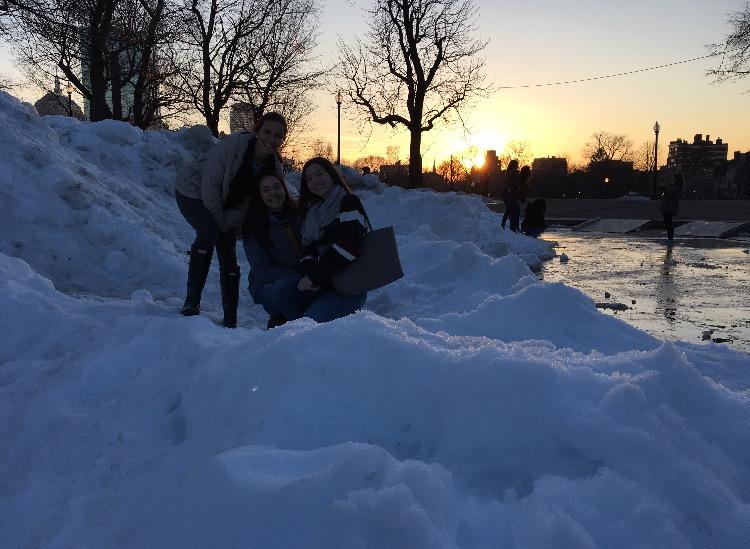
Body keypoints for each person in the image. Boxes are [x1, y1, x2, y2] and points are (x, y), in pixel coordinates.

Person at [175, 112, 287, 327]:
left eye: (277, 136)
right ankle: (191, 302)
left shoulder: (273, 167)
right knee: (208, 232)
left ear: (283, 140)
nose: (271, 139)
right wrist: (220, 223)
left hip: (227, 207)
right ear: (256, 131)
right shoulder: (233, 145)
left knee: (228, 253)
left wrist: (229, 223)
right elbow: (210, 185)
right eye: (266, 132)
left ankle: (230, 318)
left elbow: (253, 204)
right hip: (193, 191)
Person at [271, 157, 368, 323]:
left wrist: (315, 277)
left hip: (349, 287)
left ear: (331, 175)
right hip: (323, 285)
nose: (315, 181)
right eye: (309, 178)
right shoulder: (313, 213)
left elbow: (348, 247)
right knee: (279, 291)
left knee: (309, 320)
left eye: (319, 174)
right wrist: (311, 275)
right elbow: (308, 250)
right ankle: (301, 331)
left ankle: (307, 331)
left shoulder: (349, 202)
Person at [242, 173, 303, 329]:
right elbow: (262, 270)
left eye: (277, 187)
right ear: (260, 196)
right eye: (266, 190)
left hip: (303, 275)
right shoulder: (253, 226)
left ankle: (283, 321)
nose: (273, 193)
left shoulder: (299, 213)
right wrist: (298, 276)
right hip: (268, 284)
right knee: (283, 294)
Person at [660, 173, 683, 243]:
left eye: (673, 178)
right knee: (668, 222)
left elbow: (670, 194)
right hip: (668, 206)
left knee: (668, 223)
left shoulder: (676, 187)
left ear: (677, 179)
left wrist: (663, 187)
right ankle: (670, 238)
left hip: (670, 206)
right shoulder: (674, 186)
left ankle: (670, 239)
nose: (672, 179)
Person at [500, 160, 520, 231]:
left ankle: (503, 224)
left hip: (506, 194)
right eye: (517, 165)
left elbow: (505, 184)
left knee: (509, 210)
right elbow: (515, 184)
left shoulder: (507, 173)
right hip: (511, 195)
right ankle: (514, 228)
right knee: (514, 211)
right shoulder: (514, 173)